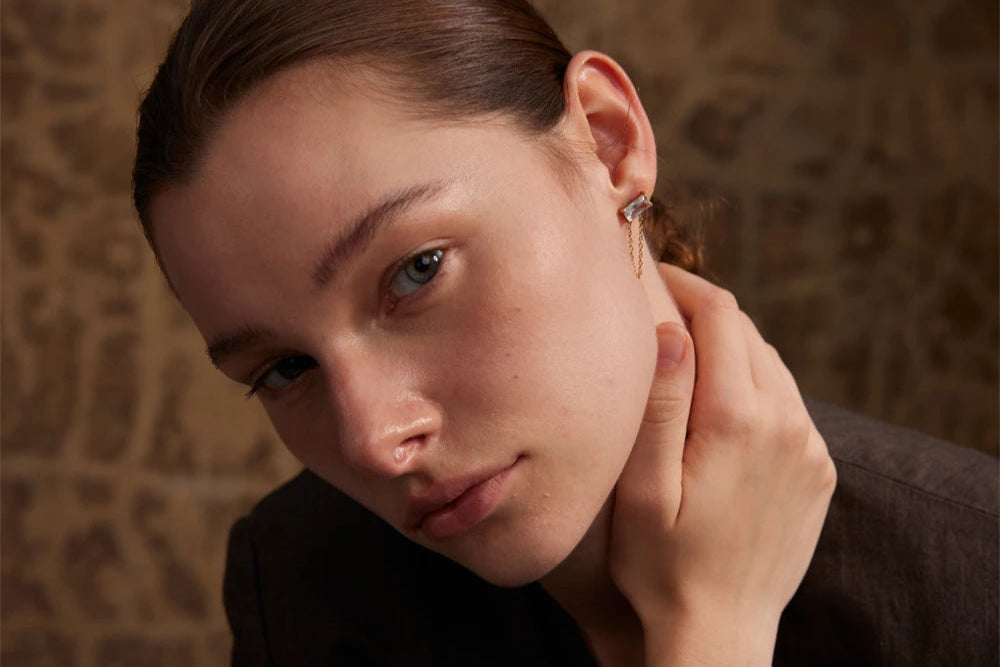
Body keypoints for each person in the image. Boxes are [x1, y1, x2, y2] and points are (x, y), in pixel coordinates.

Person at [131, 1, 998, 665]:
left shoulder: (973, 583)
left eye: (418, 269)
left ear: (609, 144)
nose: (377, 442)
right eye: (285, 367)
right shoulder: (303, 586)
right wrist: (710, 635)